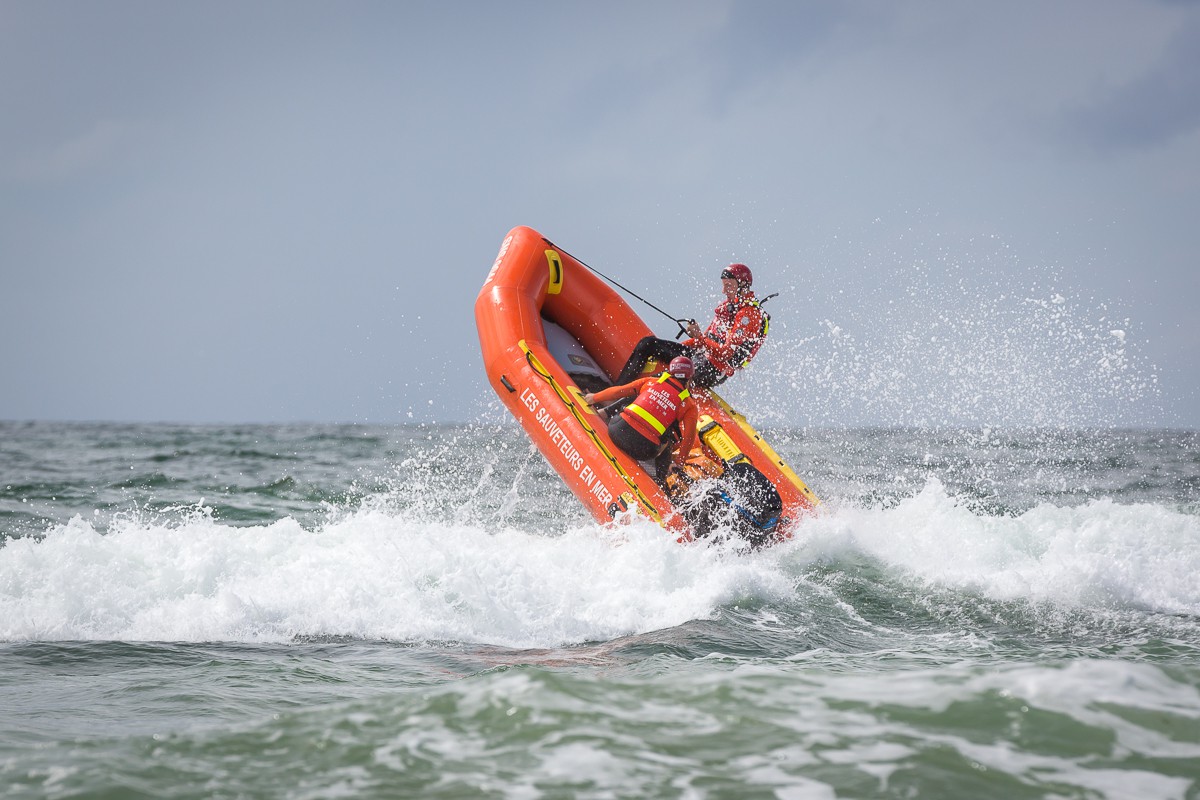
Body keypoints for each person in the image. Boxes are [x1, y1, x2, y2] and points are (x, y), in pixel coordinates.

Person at [615, 263, 769, 388]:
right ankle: (616, 388)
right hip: (699, 358)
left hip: (711, 371)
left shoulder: (748, 315)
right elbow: (703, 341)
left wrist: (699, 337)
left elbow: (725, 354)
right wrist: (670, 349)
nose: (723, 291)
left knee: (660, 379)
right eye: (723, 286)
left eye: (728, 286)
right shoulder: (728, 307)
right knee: (647, 344)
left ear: (742, 285)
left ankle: (613, 404)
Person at [584, 356, 699, 481]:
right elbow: (689, 438)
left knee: (632, 400)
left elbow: (618, 391)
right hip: (643, 451)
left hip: (617, 431)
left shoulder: (650, 381)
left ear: (670, 371)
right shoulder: (690, 405)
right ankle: (662, 481)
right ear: (689, 378)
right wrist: (679, 462)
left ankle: (603, 413)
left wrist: (594, 397)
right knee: (669, 440)